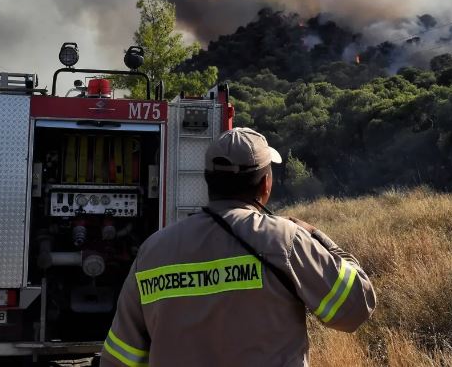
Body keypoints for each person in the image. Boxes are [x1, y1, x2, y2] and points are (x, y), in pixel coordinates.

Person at [101, 127, 376, 367]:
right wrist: (317, 236)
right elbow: (355, 308)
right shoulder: (285, 241)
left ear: (208, 181)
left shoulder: (153, 252)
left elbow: (120, 357)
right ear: (266, 183)